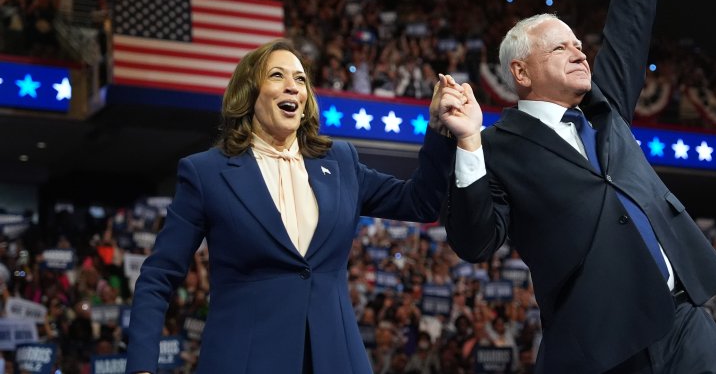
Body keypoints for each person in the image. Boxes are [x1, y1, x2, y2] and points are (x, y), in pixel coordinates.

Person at [440, 0, 716, 372]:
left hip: (685, 322)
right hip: (599, 341)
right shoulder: (496, 146)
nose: (580, 53)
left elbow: (629, 26)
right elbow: (476, 242)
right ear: (522, 71)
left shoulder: (604, 107)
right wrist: (470, 144)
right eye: (561, 48)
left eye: (579, 44)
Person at [125, 38, 480, 373]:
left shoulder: (340, 161)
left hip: (337, 358)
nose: (293, 86)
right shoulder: (206, 173)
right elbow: (159, 276)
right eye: (276, 76)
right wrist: (142, 364)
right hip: (246, 359)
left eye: (300, 79)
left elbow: (420, 203)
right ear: (248, 94)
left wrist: (439, 130)